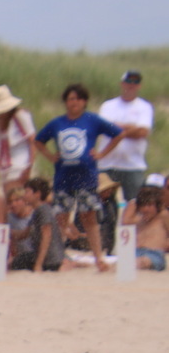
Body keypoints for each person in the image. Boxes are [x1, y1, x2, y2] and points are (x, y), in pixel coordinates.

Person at [34, 82, 122, 273]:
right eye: (70, 99)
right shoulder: (57, 123)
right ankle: (60, 255)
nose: (73, 102)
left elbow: (117, 134)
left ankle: (99, 257)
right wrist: (50, 156)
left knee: (89, 217)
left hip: (87, 176)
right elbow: (39, 140)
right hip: (63, 176)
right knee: (61, 218)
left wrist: (102, 153)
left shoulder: (92, 120)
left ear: (84, 101)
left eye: (77, 99)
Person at [97, 71, 153, 203]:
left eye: (135, 82)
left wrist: (117, 129)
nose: (131, 85)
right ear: (122, 84)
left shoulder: (145, 107)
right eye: (129, 82)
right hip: (107, 164)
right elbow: (105, 130)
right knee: (105, 205)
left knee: (136, 204)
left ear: (139, 86)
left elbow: (142, 132)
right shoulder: (108, 106)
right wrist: (132, 128)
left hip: (133, 165)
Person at [0, 85, 36, 191]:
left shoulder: (20, 116)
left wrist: (29, 167)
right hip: (5, 167)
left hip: (21, 164)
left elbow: (33, 141)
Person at [7, 179, 63, 272]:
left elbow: (46, 237)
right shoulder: (36, 211)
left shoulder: (43, 210)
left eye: (27, 192)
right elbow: (24, 234)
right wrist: (5, 232)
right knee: (16, 262)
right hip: (40, 256)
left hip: (49, 259)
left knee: (14, 264)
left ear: (37, 194)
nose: (24, 195)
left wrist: (38, 264)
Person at [123, 183, 165, 272]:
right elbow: (125, 223)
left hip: (154, 253)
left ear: (157, 206)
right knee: (125, 261)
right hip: (136, 252)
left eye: (150, 205)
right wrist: (137, 204)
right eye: (143, 205)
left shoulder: (162, 216)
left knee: (144, 261)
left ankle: (130, 265)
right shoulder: (138, 219)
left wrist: (164, 244)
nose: (146, 209)